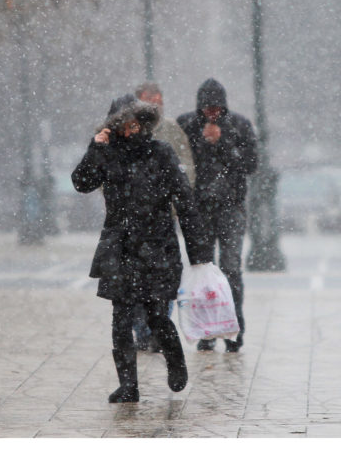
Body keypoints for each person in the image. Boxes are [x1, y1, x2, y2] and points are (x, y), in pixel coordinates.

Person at [71, 94, 212, 403]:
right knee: (120, 318)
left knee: (156, 316)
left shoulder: (160, 152)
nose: (130, 130)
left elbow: (184, 202)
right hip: (119, 246)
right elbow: (81, 182)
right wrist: (95, 147)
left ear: (143, 123)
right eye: (123, 125)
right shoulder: (106, 153)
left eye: (135, 123)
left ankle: (175, 361)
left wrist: (199, 252)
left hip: (157, 246)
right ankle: (128, 385)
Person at [177, 78, 257, 353]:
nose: (212, 114)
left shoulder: (239, 125)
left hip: (230, 206)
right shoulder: (187, 125)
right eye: (207, 109)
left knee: (231, 269)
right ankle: (206, 331)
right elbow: (180, 163)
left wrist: (222, 143)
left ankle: (234, 330)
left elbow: (249, 164)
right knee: (203, 271)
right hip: (199, 209)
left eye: (216, 109)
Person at [130, 81, 195, 353]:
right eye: (149, 98)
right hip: (132, 217)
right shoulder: (127, 127)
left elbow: (186, 166)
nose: (156, 103)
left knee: (164, 274)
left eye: (159, 98)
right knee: (135, 277)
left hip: (162, 215)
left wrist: (177, 203)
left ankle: (159, 329)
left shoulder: (171, 130)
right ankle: (142, 330)